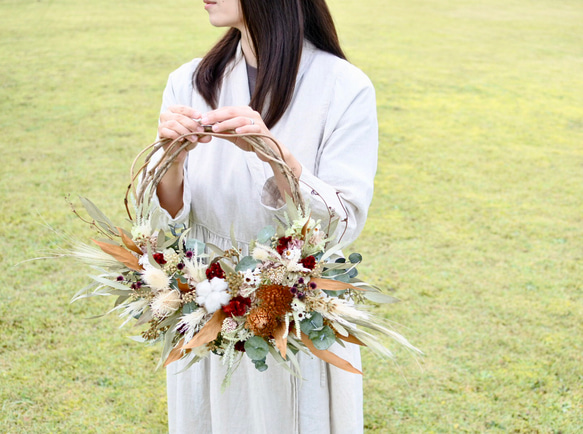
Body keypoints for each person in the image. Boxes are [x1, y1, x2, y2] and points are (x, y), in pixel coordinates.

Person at [153, 0, 378, 432]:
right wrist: (172, 160)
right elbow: (170, 218)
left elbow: (342, 222)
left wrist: (278, 159)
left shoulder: (344, 87)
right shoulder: (190, 81)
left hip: (294, 312)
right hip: (207, 303)